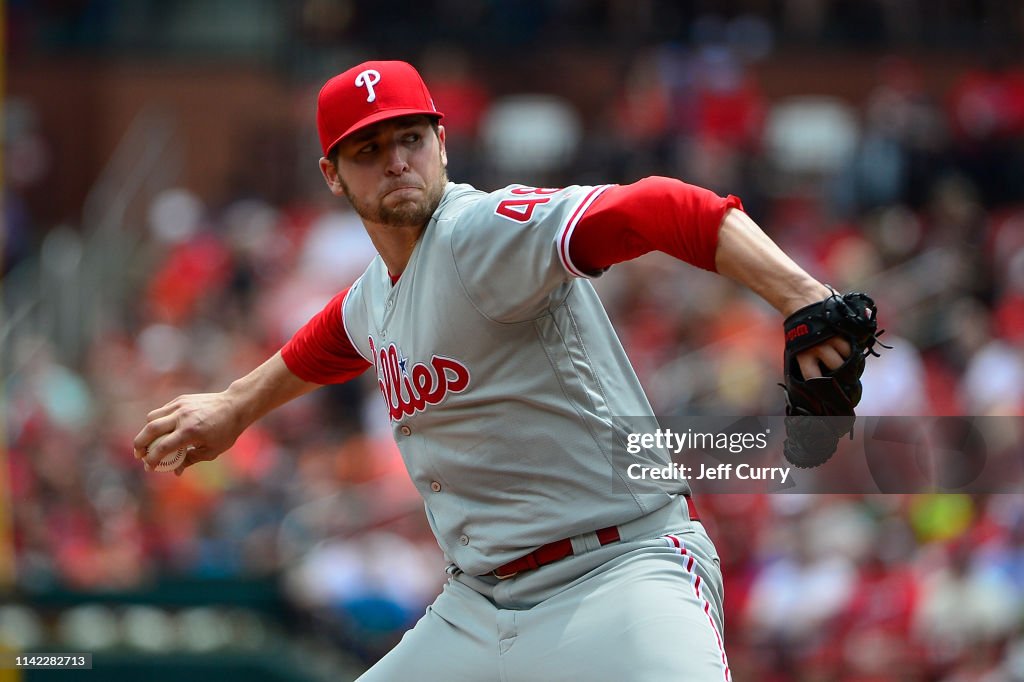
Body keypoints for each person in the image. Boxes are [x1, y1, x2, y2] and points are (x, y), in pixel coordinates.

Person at [134, 60, 850, 681]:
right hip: (478, 609)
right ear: (331, 174)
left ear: (442, 142)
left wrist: (801, 295)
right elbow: (336, 336)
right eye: (368, 148)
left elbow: (655, 207)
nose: (396, 161)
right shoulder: (379, 291)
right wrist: (235, 405)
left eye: (411, 138)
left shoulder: (484, 232)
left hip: (617, 576)